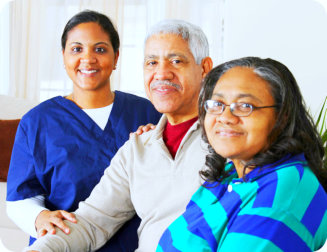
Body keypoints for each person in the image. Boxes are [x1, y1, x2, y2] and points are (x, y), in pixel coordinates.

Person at [24, 19, 213, 251]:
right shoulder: (138, 148)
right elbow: (91, 222)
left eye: (176, 61)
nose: (162, 73)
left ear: (204, 68)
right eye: (151, 62)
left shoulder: (228, 141)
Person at [6, 10, 161, 251]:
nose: (88, 59)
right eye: (76, 49)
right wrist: (39, 218)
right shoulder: (37, 122)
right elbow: (20, 198)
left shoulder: (149, 114)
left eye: (100, 49)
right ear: (64, 56)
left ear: (116, 56)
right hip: (63, 242)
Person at [157, 57, 327, 251]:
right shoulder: (229, 173)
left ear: (282, 116)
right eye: (217, 104)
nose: (225, 117)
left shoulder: (285, 189)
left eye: (245, 106)